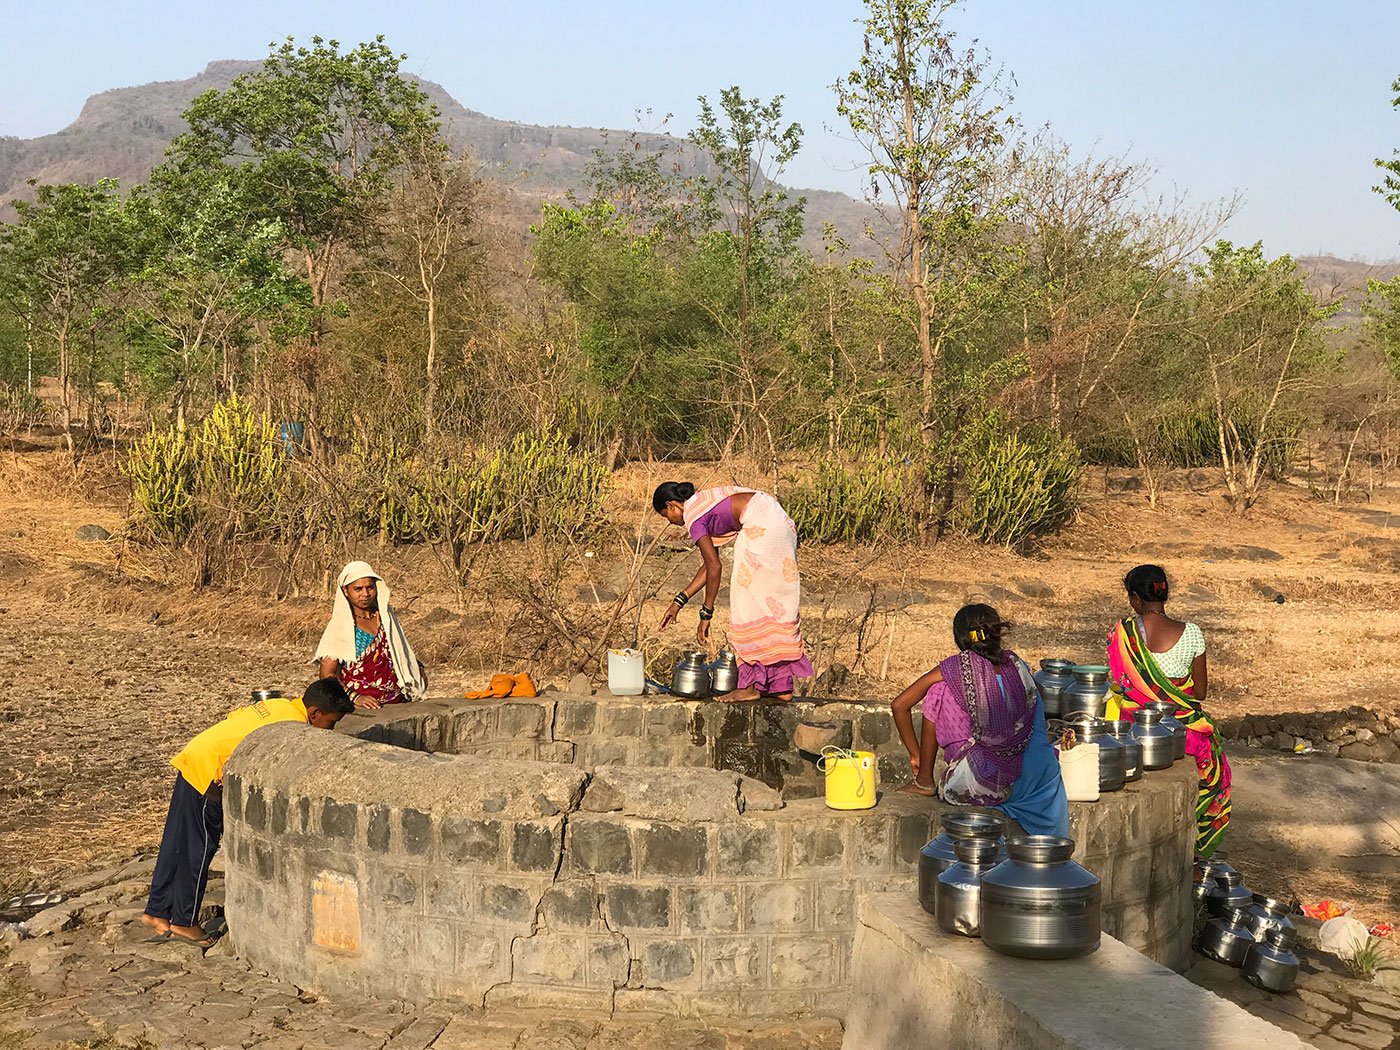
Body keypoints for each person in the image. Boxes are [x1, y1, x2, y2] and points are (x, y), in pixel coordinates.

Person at [140, 679, 354, 947]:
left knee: (176, 842)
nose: (331, 730)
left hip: (196, 757)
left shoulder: (279, 705)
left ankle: (157, 912)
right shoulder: (291, 728)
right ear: (315, 714)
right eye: (332, 723)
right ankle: (184, 921)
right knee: (199, 848)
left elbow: (236, 718)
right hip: (210, 774)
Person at [890, 604, 1069, 837]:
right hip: (1042, 780)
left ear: (961, 638)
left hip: (990, 784)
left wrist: (916, 754)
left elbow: (899, 704)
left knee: (938, 691)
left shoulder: (954, 668)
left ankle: (924, 779)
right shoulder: (1018, 664)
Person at [1107, 564, 1231, 857]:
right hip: (1183, 731)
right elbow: (1200, 693)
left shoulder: (1123, 633)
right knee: (1216, 770)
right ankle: (1198, 851)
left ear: (1135, 599)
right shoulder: (1192, 634)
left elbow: (1122, 683)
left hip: (1134, 726)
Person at [653, 481, 814, 701]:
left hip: (761, 527)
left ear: (672, 506)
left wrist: (706, 614)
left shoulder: (693, 516)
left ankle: (748, 686)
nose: (670, 522)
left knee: (746, 606)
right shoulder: (704, 505)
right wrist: (679, 602)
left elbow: (714, 567)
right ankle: (780, 686)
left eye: (666, 516)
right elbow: (709, 566)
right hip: (779, 523)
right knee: (771, 606)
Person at [315, 561, 427, 709]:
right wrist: (356, 697)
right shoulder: (341, 627)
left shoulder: (386, 619)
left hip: (397, 702)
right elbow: (327, 674)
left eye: (370, 587)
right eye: (358, 589)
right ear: (345, 591)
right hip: (362, 706)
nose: (365, 594)